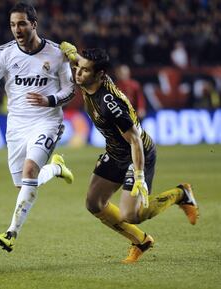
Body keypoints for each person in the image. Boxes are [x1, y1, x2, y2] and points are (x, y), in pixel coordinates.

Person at [0, 2, 75, 252]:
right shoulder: (4, 53)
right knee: (24, 186)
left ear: (34, 24)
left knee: (29, 172)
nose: (16, 29)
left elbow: (70, 89)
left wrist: (50, 100)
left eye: (21, 23)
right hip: (16, 125)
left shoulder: (56, 53)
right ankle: (56, 169)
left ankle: (11, 233)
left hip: (47, 120)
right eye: (12, 24)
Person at [60, 42, 199, 263]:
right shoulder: (87, 74)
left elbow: (134, 140)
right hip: (115, 152)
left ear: (100, 74)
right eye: (78, 67)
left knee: (131, 215)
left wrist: (140, 177)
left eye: (84, 70)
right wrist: (70, 52)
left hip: (137, 154)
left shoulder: (110, 103)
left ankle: (181, 194)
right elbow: (78, 61)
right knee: (94, 203)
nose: (78, 72)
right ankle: (141, 241)